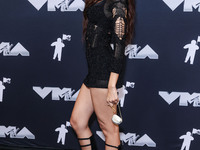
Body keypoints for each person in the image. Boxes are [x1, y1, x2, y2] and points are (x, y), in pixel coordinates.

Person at [70, 0, 135, 149]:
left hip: (104, 74)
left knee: (110, 130)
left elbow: (119, 46)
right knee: (78, 121)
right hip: (94, 72)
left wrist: (112, 86)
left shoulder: (118, 3)